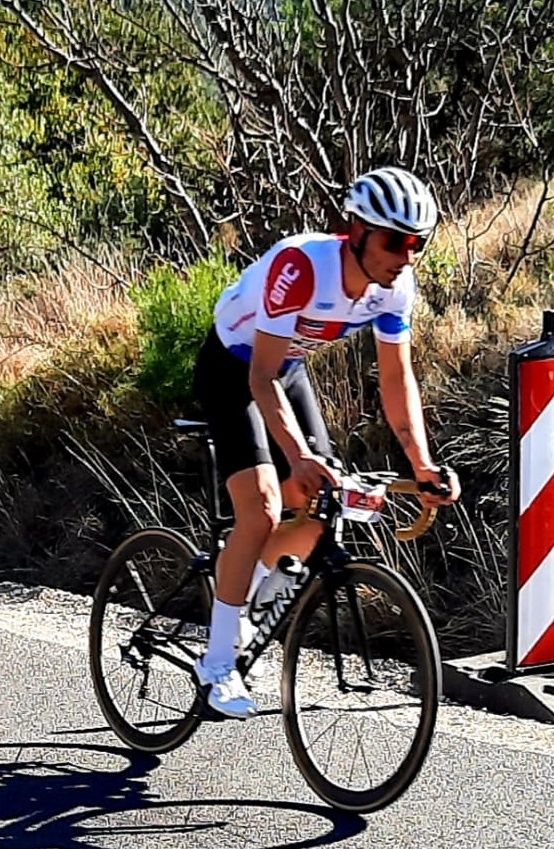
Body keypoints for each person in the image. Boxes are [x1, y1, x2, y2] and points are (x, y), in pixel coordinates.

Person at [191, 167, 460, 718]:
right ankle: (218, 661)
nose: (406, 256)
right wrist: (298, 454)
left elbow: (396, 379)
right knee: (263, 507)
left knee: (319, 506)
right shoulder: (301, 267)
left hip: (286, 367)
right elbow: (258, 376)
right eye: (395, 241)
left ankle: (243, 597)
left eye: (418, 245)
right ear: (357, 231)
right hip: (233, 367)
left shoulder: (394, 288)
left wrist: (423, 464)